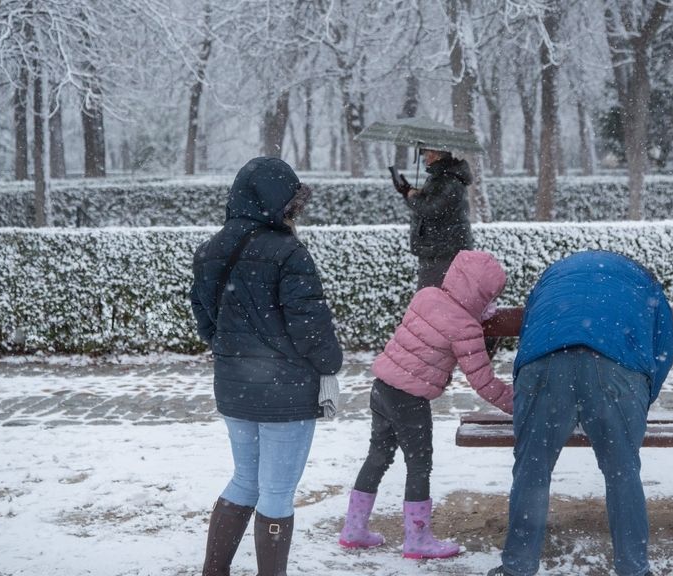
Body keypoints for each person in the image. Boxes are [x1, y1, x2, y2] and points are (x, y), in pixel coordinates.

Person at [190, 157, 343, 576]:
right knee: (276, 492)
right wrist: (329, 366)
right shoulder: (288, 252)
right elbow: (310, 325)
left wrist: (236, 354)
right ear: (278, 202)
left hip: (234, 387)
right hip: (286, 392)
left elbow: (206, 320)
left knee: (245, 479)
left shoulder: (209, 251)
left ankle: (214, 571)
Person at [487, 251, 673, 576]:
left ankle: (517, 567)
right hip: (616, 366)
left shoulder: (552, 277)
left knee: (532, 469)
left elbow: (530, 334)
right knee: (622, 472)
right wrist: (637, 403)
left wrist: (532, 394)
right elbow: (663, 349)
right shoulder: (645, 284)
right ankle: (634, 568)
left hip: (544, 362)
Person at [338, 250, 513, 560]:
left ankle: (353, 530)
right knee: (419, 465)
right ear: (484, 294)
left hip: (382, 388)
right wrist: (518, 404)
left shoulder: (426, 296)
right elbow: (483, 382)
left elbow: (439, 323)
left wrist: (474, 314)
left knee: (378, 456)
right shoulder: (466, 327)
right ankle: (417, 540)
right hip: (410, 398)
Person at [393, 147, 474, 289]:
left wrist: (411, 196)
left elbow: (430, 209)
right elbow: (433, 202)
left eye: (426, 154)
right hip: (438, 250)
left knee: (431, 296)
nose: (424, 158)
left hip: (443, 251)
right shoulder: (441, 177)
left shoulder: (448, 180)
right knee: (433, 295)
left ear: (435, 155)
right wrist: (412, 192)